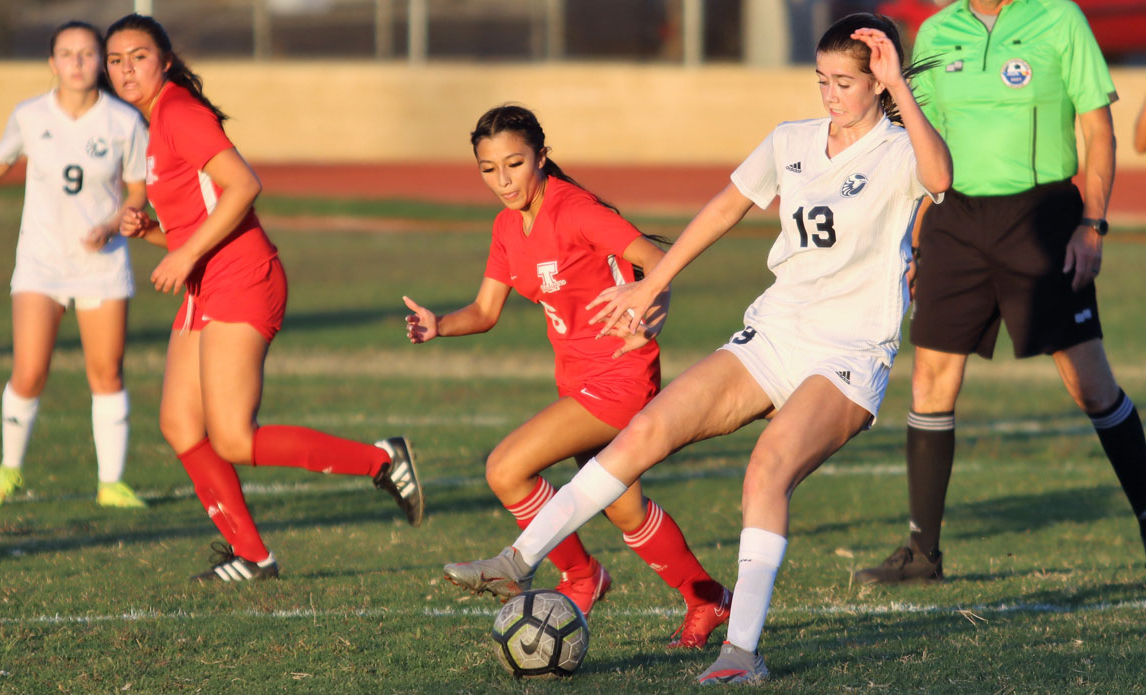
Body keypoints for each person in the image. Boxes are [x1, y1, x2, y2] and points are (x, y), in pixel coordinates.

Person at [442, 14, 951, 685]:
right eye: (823, 79)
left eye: (847, 82)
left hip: (850, 350)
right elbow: (721, 208)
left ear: (878, 81)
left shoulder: (896, 148)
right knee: (648, 429)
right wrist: (655, 280)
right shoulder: (791, 141)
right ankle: (517, 558)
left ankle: (741, 653)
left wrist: (899, 93)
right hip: (776, 330)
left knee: (766, 469)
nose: (831, 94)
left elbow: (941, 177)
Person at [103, 13, 423, 582]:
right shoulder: (156, 122)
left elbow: (244, 185)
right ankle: (252, 555)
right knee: (181, 425)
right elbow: (196, 222)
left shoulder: (178, 110)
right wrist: (150, 231)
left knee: (231, 436)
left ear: (166, 61)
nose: (126, 69)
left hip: (243, 278)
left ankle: (382, 460)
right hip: (210, 280)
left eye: (139, 56)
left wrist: (179, 254)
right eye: (116, 60)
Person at [404, 105, 731, 645]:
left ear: (542, 157)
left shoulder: (574, 210)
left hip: (621, 376)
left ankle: (580, 575)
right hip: (576, 377)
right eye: (489, 169)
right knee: (625, 508)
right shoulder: (508, 225)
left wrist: (657, 308)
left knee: (506, 469)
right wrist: (440, 324)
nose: (504, 180)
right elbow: (485, 313)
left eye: (515, 163)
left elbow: (656, 257)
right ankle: (708, 598)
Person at [853, 0, 1146, 585]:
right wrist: (913, 235)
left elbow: (1097, 129)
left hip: (1041, 217)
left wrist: (1092, 225)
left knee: (1090, 385)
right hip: (954, 220)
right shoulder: (937, 29)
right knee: (932, 379)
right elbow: (921, 140)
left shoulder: (1059, 19)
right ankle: (922, 554)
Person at [0, 21, 150, 509]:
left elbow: (139, 190)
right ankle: (10, 470)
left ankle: (111, 483)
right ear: (52, 63)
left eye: (86, 54)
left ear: (99, 61)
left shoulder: (124, 121)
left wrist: (110, 225)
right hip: (40, 262)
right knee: (29, 371)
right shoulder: (29, 115)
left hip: (101, 265)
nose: (77, 63)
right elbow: (0, 160)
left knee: (107, 374)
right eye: (67, 54)